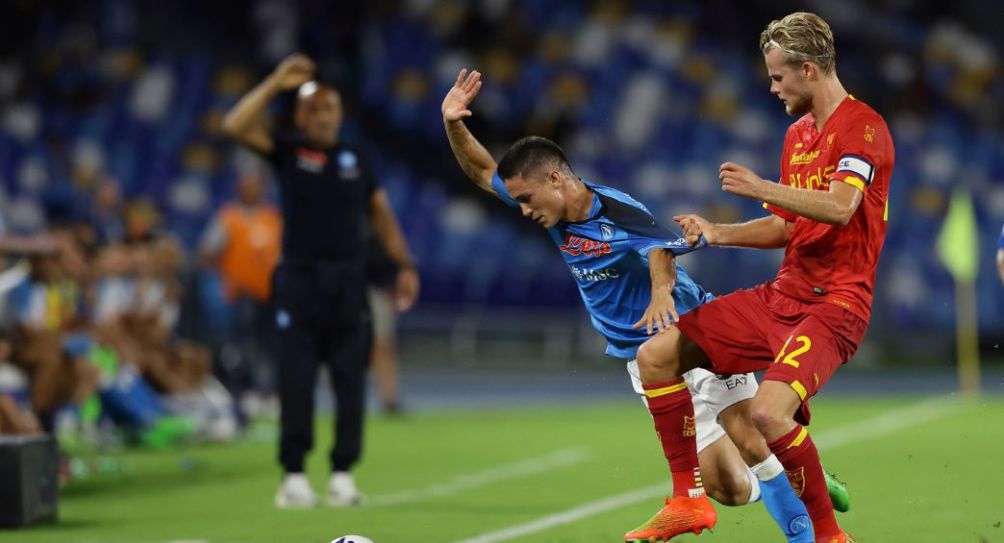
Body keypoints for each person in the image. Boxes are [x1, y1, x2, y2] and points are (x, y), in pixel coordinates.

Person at [442, 69, 847, 543]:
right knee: (729, 489)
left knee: (751, 440)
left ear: (555, 179)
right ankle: (802, 477)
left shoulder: (616, 210)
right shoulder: (548, 208)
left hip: (690, 335)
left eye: (528, 199)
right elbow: (482, 172)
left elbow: (660, 248)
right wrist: (453, 122)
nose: (524, 211)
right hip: (647, 362)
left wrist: (660, 293)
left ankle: (808, 529)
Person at [628, 12, 893, 543]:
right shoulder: (798, 134)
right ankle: (687, 501)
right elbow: (788, 225)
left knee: (771, 415)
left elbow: (841, 207)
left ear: (809, 70)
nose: (772, 88)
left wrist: (761, 187)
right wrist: (716, 233)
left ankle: (828, 536)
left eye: (778, 76)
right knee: (655, 357)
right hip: (782, 295)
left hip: (836, 304)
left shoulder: (863, 128)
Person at [222, 53, 420, 508]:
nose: (323, 117)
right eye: (313, 111)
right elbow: (234, 125)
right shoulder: (289, 151)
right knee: (297, 379)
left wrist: (404, 265)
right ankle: (293, 475)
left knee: (351, 380)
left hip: (349, 283)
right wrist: (275, 81)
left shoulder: (357, 158)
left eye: (329, 109)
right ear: (300, 117)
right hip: (300, 281)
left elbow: (382, 215)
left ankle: (342, 473)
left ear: (340, 114)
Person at [199, 172, 282, 406]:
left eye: (255, 186)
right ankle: (249, 390)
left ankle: (271, 391)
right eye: (247, 186)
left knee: (273, 344)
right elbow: (206, 252)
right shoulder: (228, 217)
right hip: (242, 295)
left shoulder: (272, 217)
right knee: (246, 344)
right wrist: (225, 277)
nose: (251, 191)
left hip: (271, 294)